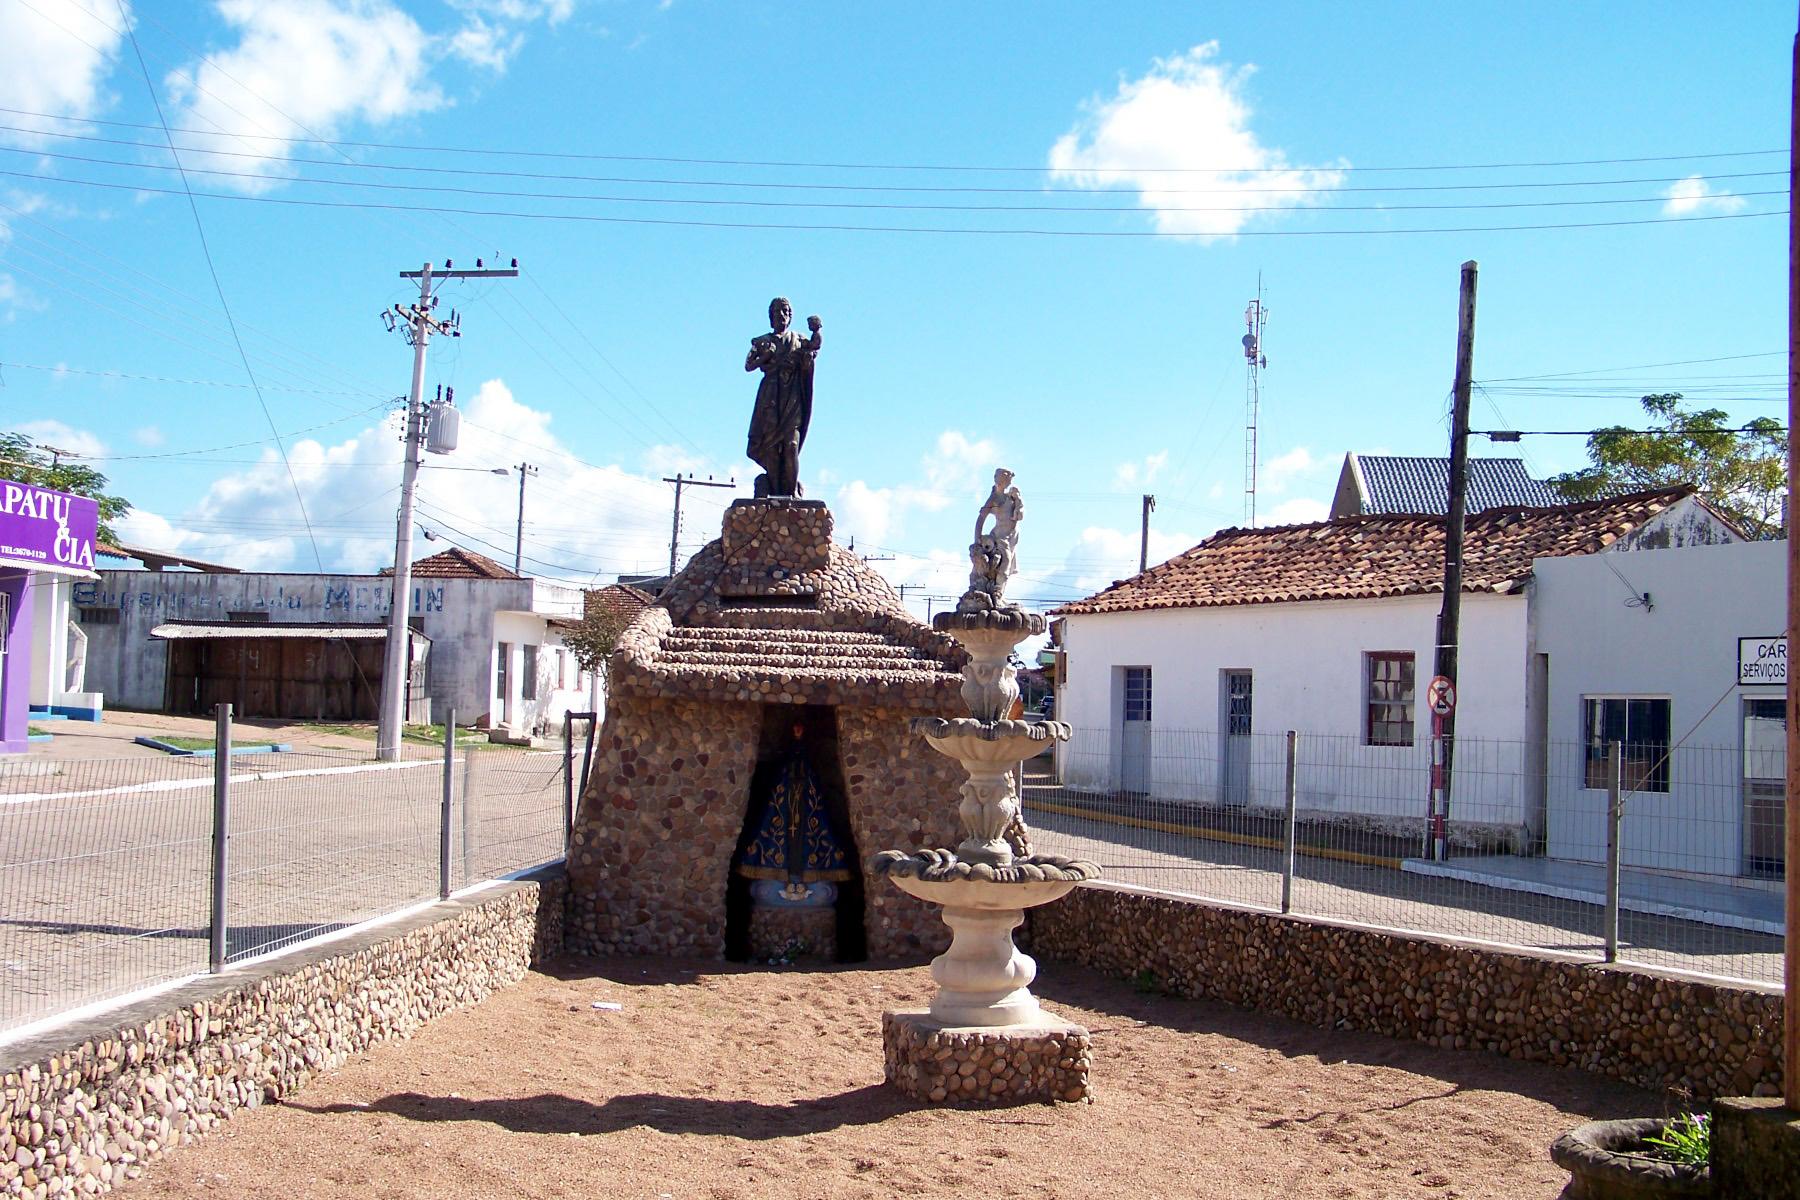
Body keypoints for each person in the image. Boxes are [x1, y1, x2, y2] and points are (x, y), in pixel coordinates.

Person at [744, 297, 822, 497]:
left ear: (790, 316)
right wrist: (765, 357)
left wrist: (816, 330)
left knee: (791, 444)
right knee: (771, 446)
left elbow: (814, 347)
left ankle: (790, 493)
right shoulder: (762, 341)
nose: (781, 315)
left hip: (792, 397)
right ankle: (775, 493)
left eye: (785, 311)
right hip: (770, 397)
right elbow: (748, 365)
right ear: (771, 317)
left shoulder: (798, 339)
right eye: (777, 311)